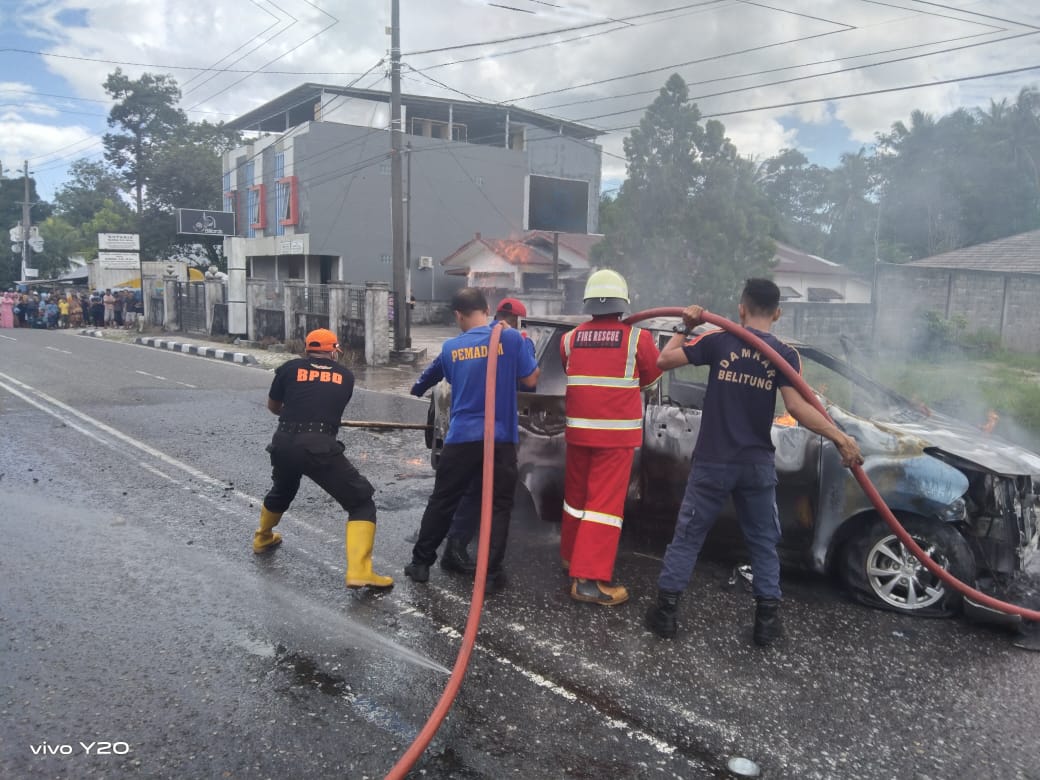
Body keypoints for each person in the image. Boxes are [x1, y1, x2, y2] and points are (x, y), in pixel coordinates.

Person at [645, 278, 863, 646]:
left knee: (688, 538)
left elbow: (663, 360)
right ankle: (767, 624)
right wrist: (840, 437)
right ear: (778, 313)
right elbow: (797, 408)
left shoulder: (718, 340)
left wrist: (686, 325)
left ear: (741, 308)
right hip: (756, 465)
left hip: (714, 461)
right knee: (763, 544)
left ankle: (665, 615)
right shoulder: (785, 355)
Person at [405, 288, 539, 589]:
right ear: (487, 309)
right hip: (499, 440)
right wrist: (519, 346)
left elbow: (420, 384)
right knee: (499, 505)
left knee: (442, 501)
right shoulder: (510, 338)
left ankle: (420, 564)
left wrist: (419, 388)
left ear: (457, 315)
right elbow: (531, 380)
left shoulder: (452, 347)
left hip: (461, 439)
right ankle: (490, 574)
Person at [253, 328, 393, 590]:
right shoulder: (346, 376)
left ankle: (262, 538)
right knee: (361, 502)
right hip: (319, 445)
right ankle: (360, 571)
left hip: (283, 442)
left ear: (307, 350)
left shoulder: (288, 368)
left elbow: (274, 407)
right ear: (333, 351)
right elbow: (330, 408)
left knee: (282, 490)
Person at [559, 270, 662, 606]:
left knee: (576, 501)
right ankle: (588, 581)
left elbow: (572, 370)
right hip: (614, 438)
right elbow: (649, 380)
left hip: (578, 433)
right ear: (623, 303)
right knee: (603, 509)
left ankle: (571, 558)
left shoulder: (570, 338)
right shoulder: (638, 339)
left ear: (588, 302)